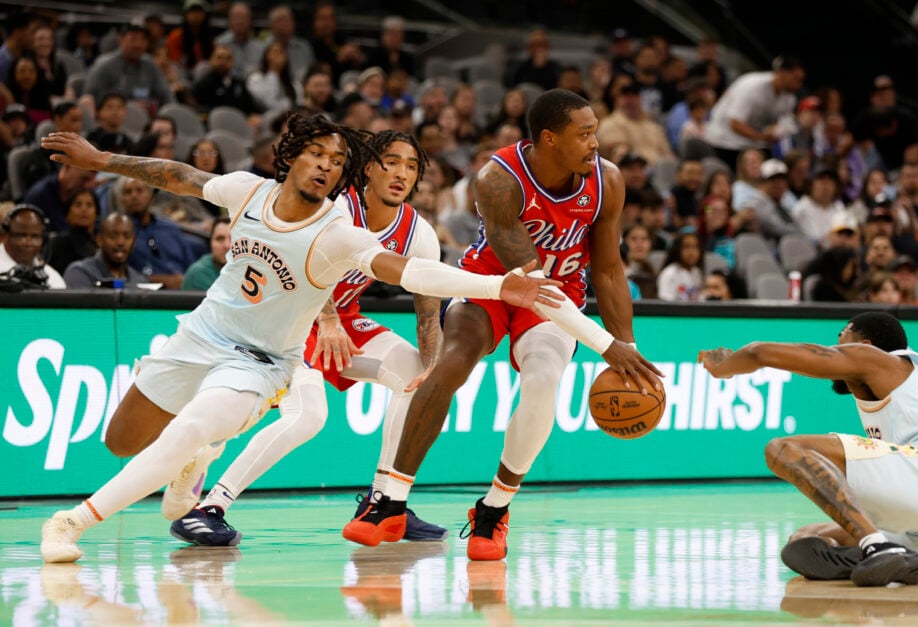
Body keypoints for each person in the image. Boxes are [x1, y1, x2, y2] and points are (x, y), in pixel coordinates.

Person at [36, 115, 561, 563]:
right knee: (121, 441)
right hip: (204, 334)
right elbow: (178, 175)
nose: (326, 165)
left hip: (266, 356)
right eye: (316, 153)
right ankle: (199, 459)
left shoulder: (347, 229)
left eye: (335, 160)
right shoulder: (250, 190)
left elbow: (418, 280)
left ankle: (79, 521)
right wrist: (99, 158)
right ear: (291, 157)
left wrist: (496, 286)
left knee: (211, 422)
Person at [340, 89, 663, 561]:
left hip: (563, 292)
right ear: (549, 139)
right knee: (449, 366)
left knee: (542, 380)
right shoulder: (498, 179)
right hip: (494, 281)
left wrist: (626, 344)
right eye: (586, 133)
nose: (596, 142)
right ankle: (390, 500)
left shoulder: (606, 180)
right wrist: (603, 344)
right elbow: (532, 283)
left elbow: (610, 270)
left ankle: (493, 509)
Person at [167, 130, 452, 545]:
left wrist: (434, 375)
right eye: (391, 162)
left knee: (415, 375)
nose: (401, 173)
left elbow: (428, 317)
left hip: (343, 322)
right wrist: (329, 318)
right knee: (308, 416)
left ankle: (386, 501)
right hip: (287, 319)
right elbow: (292, 256)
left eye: (411, 167)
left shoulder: (419, 234)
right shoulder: (332, 207)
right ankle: (209, 508)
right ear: (369, 168)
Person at [698, 311, 918, 587]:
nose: (836, 349)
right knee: (808, 537)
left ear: (866, 344)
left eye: (841, 340)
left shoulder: (875, 358)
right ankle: (886, 555)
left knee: (784, 449)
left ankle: (876, 546)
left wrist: (726, 364)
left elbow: (760, 352)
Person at [63, 213, 147, 288]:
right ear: (99, 240)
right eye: (113, 236)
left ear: (134, 241)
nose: (120, 242)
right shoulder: (80, 273)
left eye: (127, 236)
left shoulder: (140, 282)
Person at [0, 203, 65, 289]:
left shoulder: (53, 278)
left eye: (35, 237)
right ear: (6, 235)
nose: (28, 242)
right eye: (21, 235)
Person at [181, 216, 231, 290]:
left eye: (233, 239)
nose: (226, 245)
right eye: (220, 239)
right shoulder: (198, 273)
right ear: (210, 242)